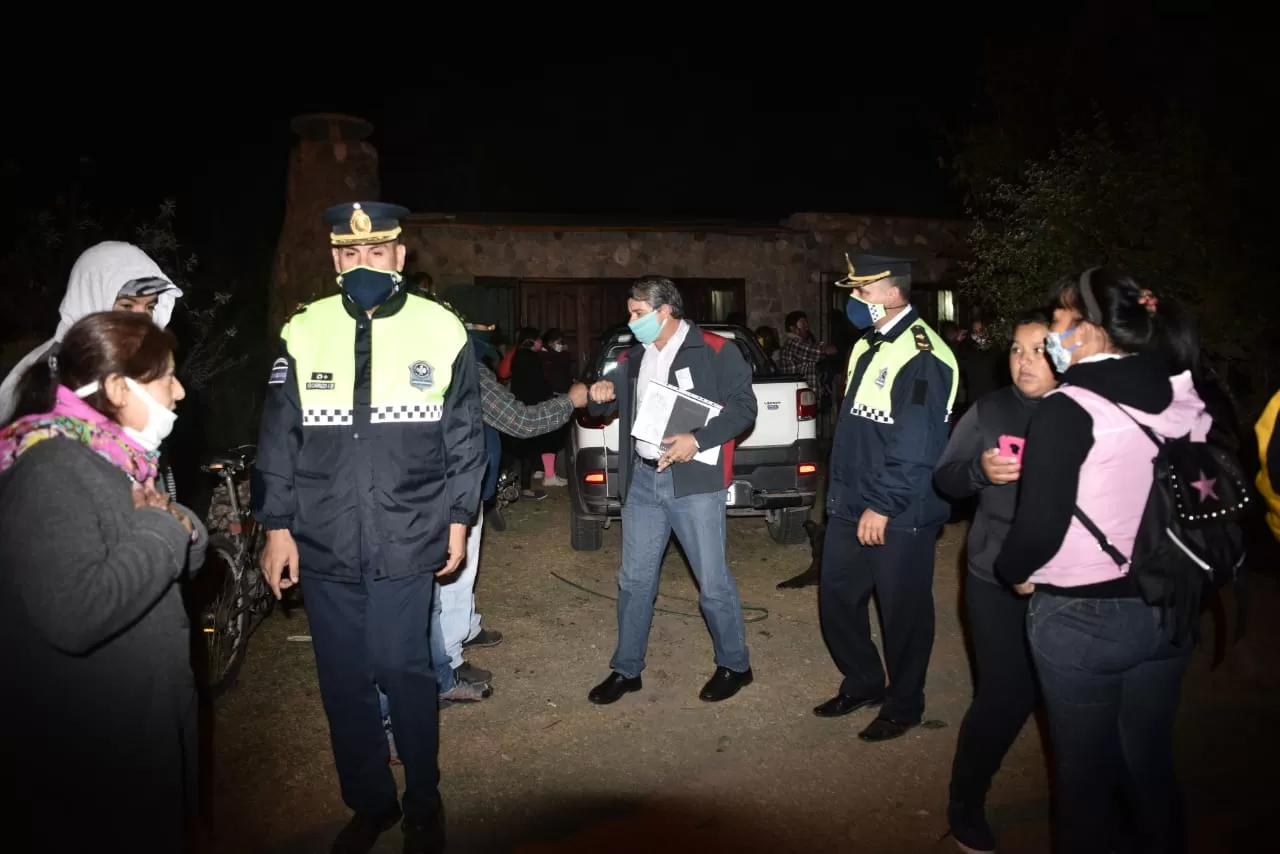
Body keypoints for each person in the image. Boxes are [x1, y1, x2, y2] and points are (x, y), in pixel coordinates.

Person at [253, 201, 485, 854]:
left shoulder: (443, 329)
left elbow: (465, 434)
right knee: (344, 678)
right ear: (334, 261)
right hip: (324, 536)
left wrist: (460, 518)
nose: (363, 263)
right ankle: (370, 802)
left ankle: (423, 801)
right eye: (351, 254)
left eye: (376, 252)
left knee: (402, 667)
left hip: (409, 531)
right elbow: (278, 433)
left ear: (399, 258)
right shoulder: (304, 330)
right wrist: (276, 525)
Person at [995, 268, 1209, 854]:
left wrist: (1013, 573)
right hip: (1169, 606)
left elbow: (1038, 530)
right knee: (1150, 765)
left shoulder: (1069, 410)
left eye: (1060, 324)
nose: (1053, 337)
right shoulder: (1181, 395)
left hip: (1082, 619)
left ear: (1089, 333)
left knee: (1084, 780)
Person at [0, 311, 206, 853]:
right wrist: (165, 531)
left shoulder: (111, 452)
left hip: (139, 723)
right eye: (167, 377)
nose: (180, 391)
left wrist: (176, 528)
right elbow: (74, 611)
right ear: (117, 387)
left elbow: (159, 527)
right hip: (97, 747)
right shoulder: (50, 470)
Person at [584, 275, 758, 704]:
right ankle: (627, 669)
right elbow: (604, 407)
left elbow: (744, 409)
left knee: (711, 581)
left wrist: (697, 439)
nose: (631, 320)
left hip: (694, 483)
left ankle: (735, 664)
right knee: (634, 580)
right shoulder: (634, 356)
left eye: (638, 313)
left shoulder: (717, 350)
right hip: (643, 480)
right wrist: (600, 395)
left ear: (665, 311)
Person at [814, 254, 958, 742]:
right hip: (853, 501)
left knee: (903, 612)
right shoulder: (869, 344)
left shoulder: (922, 354)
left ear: (894, 294)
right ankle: (864, 682)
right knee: (837, 595)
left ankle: (905, 704)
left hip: (898, 508)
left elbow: (918, 445)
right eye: (853, 291)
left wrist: (883, 503)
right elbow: (860, 427)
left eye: (863, 292)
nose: (854, 301)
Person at [933, 308, 1058, 853]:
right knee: (1005, 696)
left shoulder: (1085, 414)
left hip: (1066, 583)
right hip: (994, 576)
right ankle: (966, 802)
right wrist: (979, 472)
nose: (1024, 362)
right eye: (1016, 349)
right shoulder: (990, 411)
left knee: (1066, 699)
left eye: (1038, 351)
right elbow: (946, 477)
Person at [1, 240, 183, 425]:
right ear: (91, 297)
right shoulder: (55, 369)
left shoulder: (129, 361)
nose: (142, 319)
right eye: (127, 306)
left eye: (149, 307)